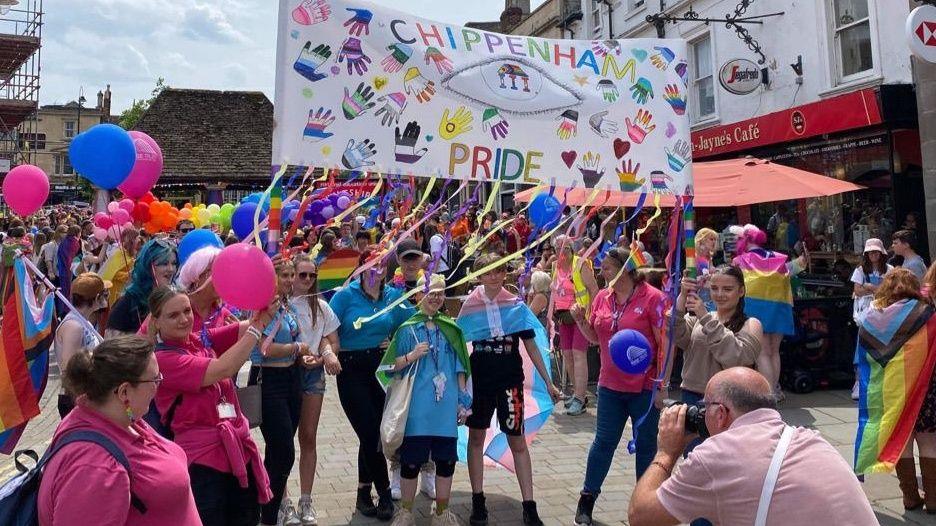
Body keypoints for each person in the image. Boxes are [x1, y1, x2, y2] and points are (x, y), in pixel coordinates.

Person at [627, 367, 877, 525]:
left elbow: (642, 517)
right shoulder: (811, 439)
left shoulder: (717, 455)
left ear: (720, 413)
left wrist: (666, 451)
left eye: (705, 407)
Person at [38, 336, 201, 525]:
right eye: (155, 379)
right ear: (124, 392)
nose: (159, 385)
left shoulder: (118, 416)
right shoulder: (96, 469)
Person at [147, 286, 275, 526]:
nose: (184, 319)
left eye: (187, 311)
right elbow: (223, 369)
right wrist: (257, 328)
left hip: (235, 451)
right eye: (173, 315)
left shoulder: (197, 340)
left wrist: (265, 308)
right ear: (156, 322)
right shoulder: (162, 361)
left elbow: (241, 329)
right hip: (202, 462)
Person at [457, 253, 561, 526]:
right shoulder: (470, 305)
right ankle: (478, 501)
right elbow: (459, 348)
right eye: (488, 272)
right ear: (479, 275)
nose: (493, 276)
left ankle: (530, 504)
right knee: (476, 439)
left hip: (509, 382)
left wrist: (549, 383)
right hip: (479, 383)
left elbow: (531, 345)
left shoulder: (515, 304)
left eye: (498, 271)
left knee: (517, 439)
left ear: (505, 274)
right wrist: (459, 389)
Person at [570, 246, 668, 526]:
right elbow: (593, 337)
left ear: (625, 269)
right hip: (610, 385)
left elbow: (664, 344)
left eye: (608, 268)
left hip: (644, 387)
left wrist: (661, 385)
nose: (602, 273)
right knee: (603, 443)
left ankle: (645, 507)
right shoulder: (603, 296)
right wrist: (579, 319)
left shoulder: (653, 298)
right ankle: (586, 500)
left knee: (647, 447)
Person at [377, 274, 471, 526]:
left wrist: (463, 400)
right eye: (430, 292)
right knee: (410, 461)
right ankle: (406, 512)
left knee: (446, 461)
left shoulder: (451, 328)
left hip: (445, 406)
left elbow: (461, 366)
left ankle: (442, 512)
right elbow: (388, 367)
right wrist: (411, 355)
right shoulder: (407, 329)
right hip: (417, 408)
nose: (435, 298)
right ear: (418, 295)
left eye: (440, 293)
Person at [328, 253, 414, 521]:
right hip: (351, 368)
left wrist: (395, 344)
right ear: (361, 268)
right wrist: (328, 353)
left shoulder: (392, 296)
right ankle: (385, 493)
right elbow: (327, 328)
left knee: (374, 433)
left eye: (381, 265)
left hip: (381, 370)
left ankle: (363, 493)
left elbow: (413, 322)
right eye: (371, 265)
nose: (376, 270)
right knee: (370, 433)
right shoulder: (345, 296)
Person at [857, 269, 936, 513]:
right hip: (927, 390)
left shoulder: (871, 320)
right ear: (914, 287)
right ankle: (933, 500)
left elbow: (865, 360)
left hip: (891, 392)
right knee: (929, 442)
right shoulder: (928, 315)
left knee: (902, 442)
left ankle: (910, 497)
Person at [248, 258, 309, 526]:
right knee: (284, 450)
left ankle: (267, 513)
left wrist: (301, 354)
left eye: (290, 274)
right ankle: (266, 508)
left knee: (277, 452)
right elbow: (262, 349)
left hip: (292, 378)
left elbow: (294, 338)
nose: (288, 279)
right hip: (268, 380)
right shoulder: (261, 308)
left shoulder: (286, 305)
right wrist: (295, 349)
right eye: (282, 275)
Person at [291, 255, 341, 526]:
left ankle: (306, 499)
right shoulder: (282, 304)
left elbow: (334, 339)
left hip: (313, 375)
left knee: (308, 437)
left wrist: (324, 357)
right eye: (302, 275)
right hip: (285, 374)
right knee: (282, 442)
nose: (308, 280)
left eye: (312, 275)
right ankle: (283, 501)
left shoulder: (321, 306)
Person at [732, 225, 805, 400]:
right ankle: (775, 390)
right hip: (779, 308)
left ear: (745, 240)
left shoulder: (740, 260)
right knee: (774, 351)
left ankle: (768, 393)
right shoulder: (778, 258)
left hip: (755, 310)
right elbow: (794, 269)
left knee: (762, 352)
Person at [673, 266, 762, 408]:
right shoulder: (698, 318)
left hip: (728, 398)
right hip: (691, 394)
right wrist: (683, 294)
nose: (720, 294)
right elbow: (674, 331)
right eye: (714, 288)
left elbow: (738, 358)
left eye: (727, 289)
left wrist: (706, 319)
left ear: (741, 291)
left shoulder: (751, 324)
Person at [551, 235, 599, 415]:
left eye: (565, 248)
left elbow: (594, 289)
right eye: (557, 249)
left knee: (579, 355)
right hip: (564, 317)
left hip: (580, 317)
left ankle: (580, 397)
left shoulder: (580, 264)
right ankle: (577, 393)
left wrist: (590, 314)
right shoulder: (555, 266)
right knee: (568, 355)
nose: (561, 252)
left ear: (572, 249)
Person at [53, 273, 110, 418]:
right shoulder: (74, 327)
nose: (107, 297)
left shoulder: (85, 322)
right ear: (97, 298)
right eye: (105, 294)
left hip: (87, 396)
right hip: (77, 400)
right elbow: (69, 370)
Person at [107, 238, 178, 337]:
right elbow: (111, 345)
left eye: (174, 263)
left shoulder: (174, 296)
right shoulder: (128, 302)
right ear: (148, 266)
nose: (171, 269)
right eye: (164, 263)